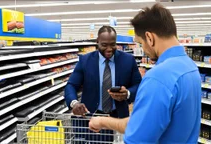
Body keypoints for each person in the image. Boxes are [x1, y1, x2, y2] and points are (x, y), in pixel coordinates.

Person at [89, 3, 202, 144]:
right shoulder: (190, 67)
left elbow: (137, 139)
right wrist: (103, 121)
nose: (143, 50)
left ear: (149, 37)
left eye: (141, 43)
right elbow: (144, 123)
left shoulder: (158, 78)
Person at [64, 25, 142, 142]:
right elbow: (71, 85)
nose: (109, 49)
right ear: (97, 42)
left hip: (118, 119)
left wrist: (128, 94)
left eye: (113, 44)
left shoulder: (128, 60)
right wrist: (74, 103)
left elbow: (139, 86)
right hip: (91, 117)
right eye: (104, 45)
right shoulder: (85, 61)